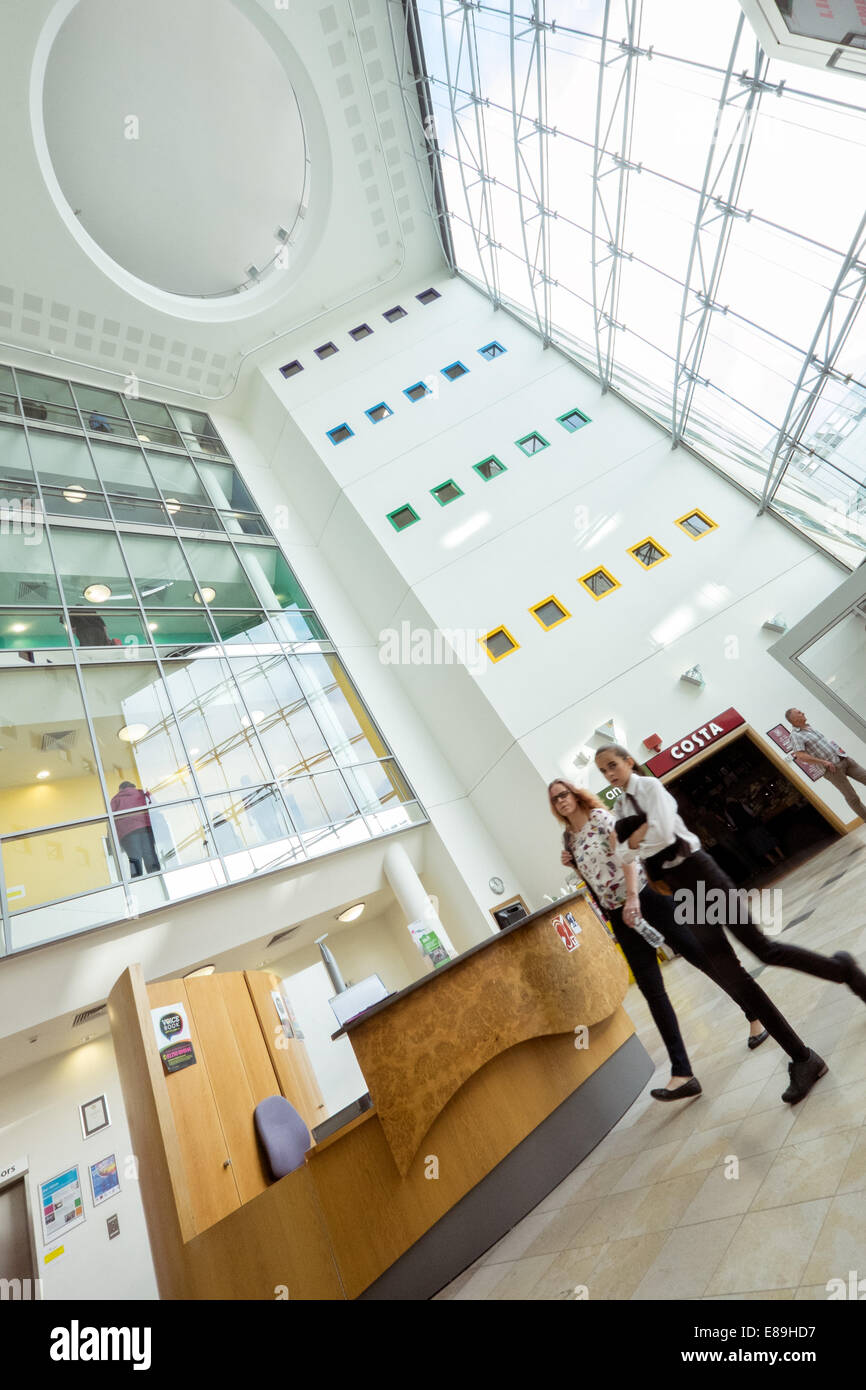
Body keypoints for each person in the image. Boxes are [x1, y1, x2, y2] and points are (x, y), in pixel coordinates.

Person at [597, 744, 866, 1105]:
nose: (610, 773)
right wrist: (637, 834)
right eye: (603, 771)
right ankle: (803, 1058)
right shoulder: (621, 808)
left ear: (628, 761)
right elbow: (623, 854)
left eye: (613, 764)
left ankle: (844, 970)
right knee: (732, 974)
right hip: (680, 888)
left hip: (700, 872)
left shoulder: (650, 788)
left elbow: (660, 835)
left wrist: (634, 836)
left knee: (765, 951)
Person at [549, 780, 768, 1103]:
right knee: (652, 990)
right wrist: (575, 865)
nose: (560, 802)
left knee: (701, 957)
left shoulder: (600, 819)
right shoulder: (568, 838)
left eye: (563, 794)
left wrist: (634, 898)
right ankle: (683, 1073)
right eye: (554, 800)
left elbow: (629, 858)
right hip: (619, 915)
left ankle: (755, 1017)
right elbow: (597, 879)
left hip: (645, 899)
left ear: (576, 794)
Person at [786, 707, 866, 821]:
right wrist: (823, 762)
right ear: (793, 719)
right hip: (832, 770)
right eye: (799, 712)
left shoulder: (809, 727)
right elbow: (800, 756)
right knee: (852, 797)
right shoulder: (795, 736)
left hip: (844, 759)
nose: (802, 712)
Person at [110, 781, 160, 877]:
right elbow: (155, 806)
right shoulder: (142, 793)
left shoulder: (115, 799)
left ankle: (136, 879)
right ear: (133, 787)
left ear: (120, 789)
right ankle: (156, 875)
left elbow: (112, 820)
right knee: (149, 852)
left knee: (134, 858)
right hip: (145, 828)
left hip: (127, 833)